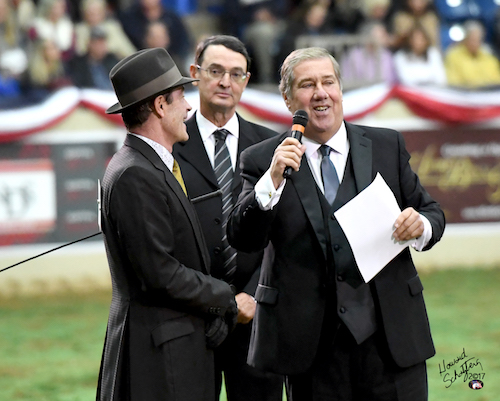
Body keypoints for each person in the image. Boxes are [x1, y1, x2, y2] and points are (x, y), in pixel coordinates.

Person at [227, 47, 446, 400]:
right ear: (287, 99)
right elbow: (243, 237)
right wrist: (271, 182)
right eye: (307, 85)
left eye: (328, 82)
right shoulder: (261, 160)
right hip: (310, 350)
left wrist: (421, 224)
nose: (320, 93)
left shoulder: (385, 145)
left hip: (391, 342)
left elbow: (432, 212)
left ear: (340, 90)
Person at [97, 47, 238, 401]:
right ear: (161, 106)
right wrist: (227, 297)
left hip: (171, 353)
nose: (189, 107)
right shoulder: (135, 173)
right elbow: (160, 274)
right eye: (181, 98)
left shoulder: (146, 165)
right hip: (159, 363)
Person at [173, 35, 284, 401]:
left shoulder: (271, 147)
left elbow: (282, 235)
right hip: (190, 317)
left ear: (247, 81)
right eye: (216, 71)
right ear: (195, 74)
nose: (225, 82)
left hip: (255, 321)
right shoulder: (169, 143)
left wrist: (251, 296)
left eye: (236, 74)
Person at [445, 20, 500, 89]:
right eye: (472, 39)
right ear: (465, 39)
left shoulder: (489, 58)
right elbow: (453, 82)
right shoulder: (453, 56)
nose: (475, 43)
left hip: (487, 95)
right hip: (463, 95)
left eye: (478, 40)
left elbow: (497, 81)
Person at [67, 25, 119, 89]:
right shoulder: (78, 63)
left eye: (103, 43)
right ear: (89, 44)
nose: (101, 47)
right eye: (97, 43)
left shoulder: (112, 59)